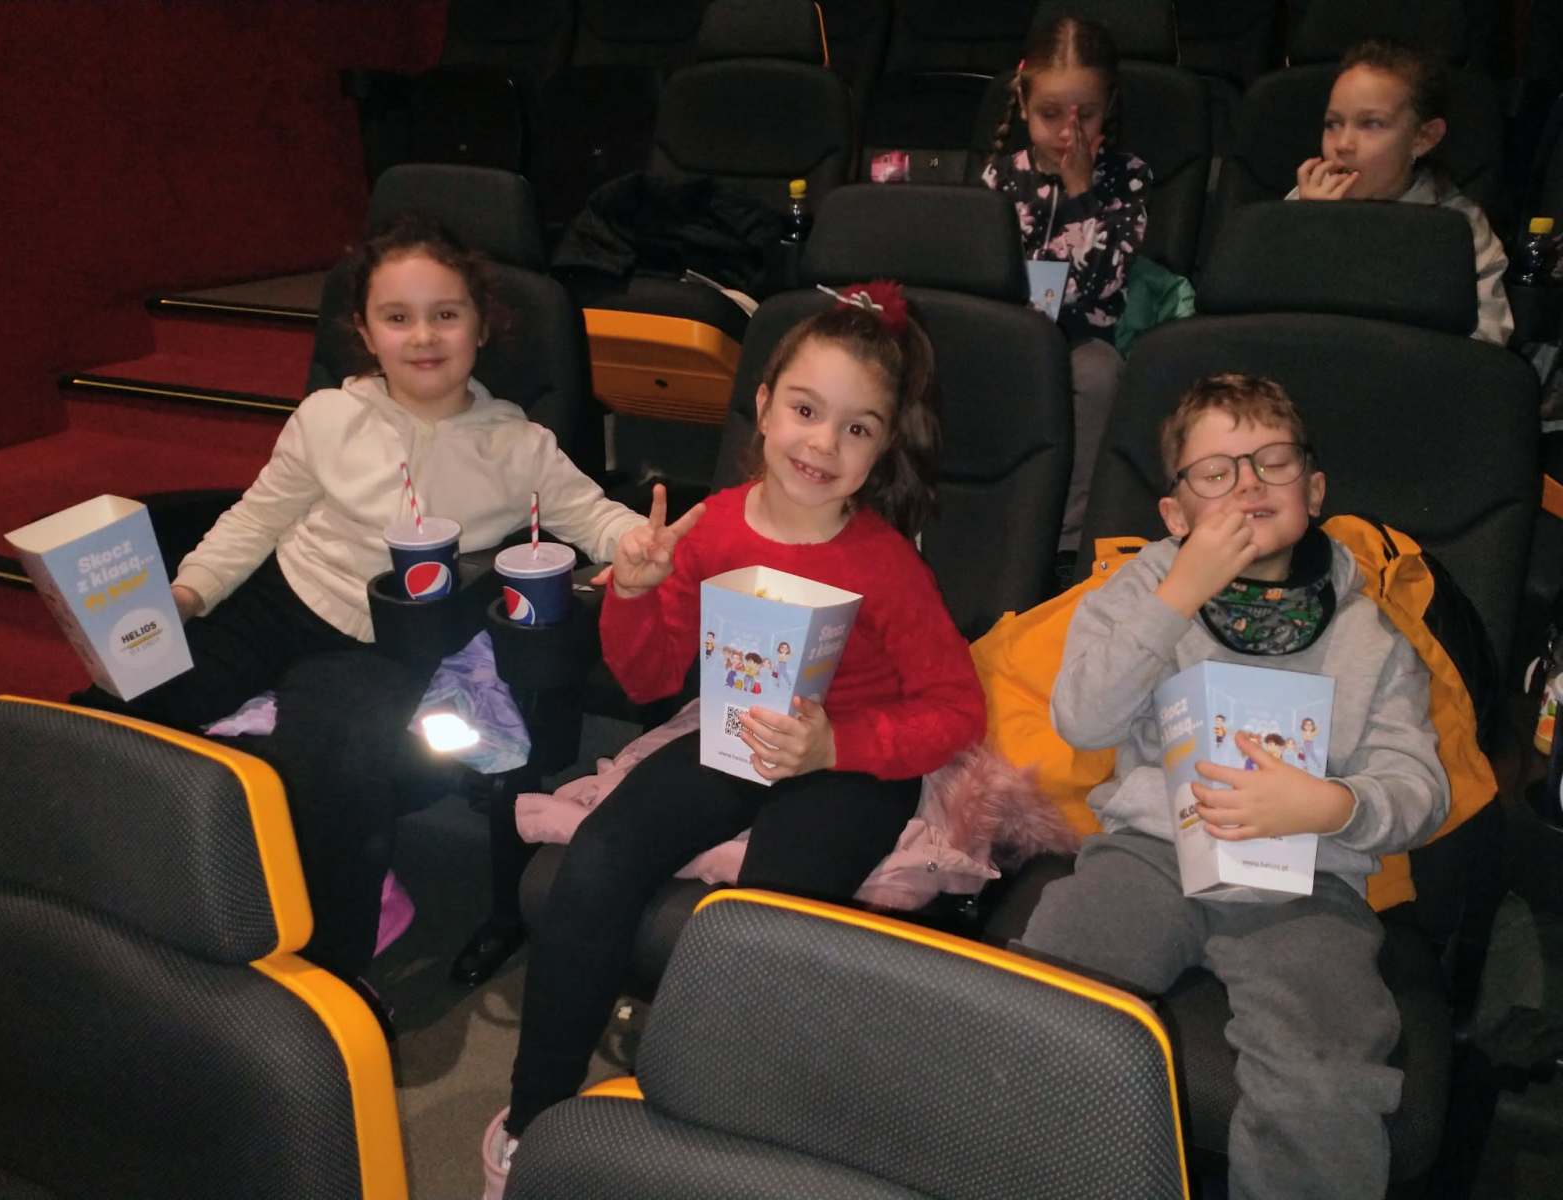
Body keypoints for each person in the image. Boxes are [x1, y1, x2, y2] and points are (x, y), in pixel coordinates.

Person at [481, 281, 987, 1196]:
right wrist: (635, 594)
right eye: (805, 410)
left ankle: (722, 1132)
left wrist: (835, 747)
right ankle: (530, 1120)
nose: (822, 445)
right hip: (734, 729)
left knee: (765, 922)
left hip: (851, 760)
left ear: (882, 448)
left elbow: (955, 711)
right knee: (598, 860)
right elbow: (646, 680)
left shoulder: (884, 562)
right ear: (762, 404)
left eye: (857, 428)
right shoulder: (711, 528)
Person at [74, 213, 640, 994]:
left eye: (446, 314)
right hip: (284, 598)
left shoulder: (520, 448)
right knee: (123, 691)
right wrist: (187, 592)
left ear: (481, 326)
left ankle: (331, 967)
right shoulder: (329, 417)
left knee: (331, 769)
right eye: (397, 317)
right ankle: (110, 884)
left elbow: (600, 519)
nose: (423, 336)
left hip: (388, 640)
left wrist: (640, 545)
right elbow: (255, 521)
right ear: (367, 333)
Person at [1017, 373, 1448, 1198]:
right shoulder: (1142, 592)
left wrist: (1335, 805)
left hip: (1309, 882)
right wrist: (1178, 593)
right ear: (1176, 515)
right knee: (1045, 1006)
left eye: (1272, 462)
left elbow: (1418, 784)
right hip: (1150, 854)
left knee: (1325, 1076)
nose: (1249, 484)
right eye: (1217, 472)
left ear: (1313, 492)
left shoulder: (1373, 634)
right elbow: (1084, 719)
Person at [981, 15, 1152, 553]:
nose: (1066, 134)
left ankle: (1067, 542)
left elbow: (1103, 284)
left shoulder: (1127, 177)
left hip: (1084, 338)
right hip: (1009, 331)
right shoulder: (1001, 176)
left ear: (1109, 108)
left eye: (1086, 116)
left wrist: (1081, 193)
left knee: (1097, 376)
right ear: (1023, 103)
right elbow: (983, 267)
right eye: (1050, 114)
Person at [1287, 37, 1513, 346]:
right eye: (1332, 124)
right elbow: (1262, 316)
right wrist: (1310, 227)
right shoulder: (1302, 203)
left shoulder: (1459, 227)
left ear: (1424, 137)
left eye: (1371, 124)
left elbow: (1485, 340)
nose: (1343, 144)